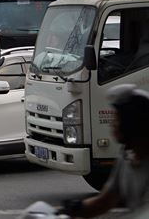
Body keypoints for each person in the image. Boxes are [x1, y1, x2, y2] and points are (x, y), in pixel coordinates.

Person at [59, 84, 149, 217]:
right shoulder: (127, 156)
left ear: (131, 122)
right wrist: (68, 210)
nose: (112, 124)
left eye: (117, 118)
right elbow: (106, 200)